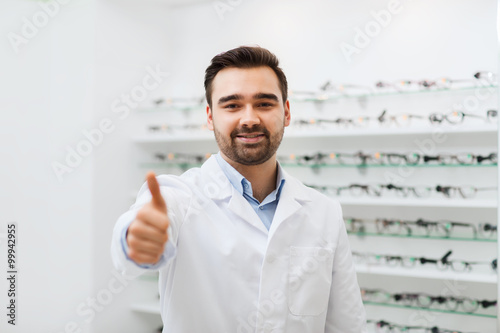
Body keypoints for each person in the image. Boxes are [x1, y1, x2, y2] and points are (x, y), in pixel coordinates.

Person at [111, 46, 367, 333]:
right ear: (210, 116)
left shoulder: (325, 212)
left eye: (264, 103)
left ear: (286, 112)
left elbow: (347, 324)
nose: (249, 118)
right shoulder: (179, 197)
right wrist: (137, 238)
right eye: (232, 105)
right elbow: (137, 238)